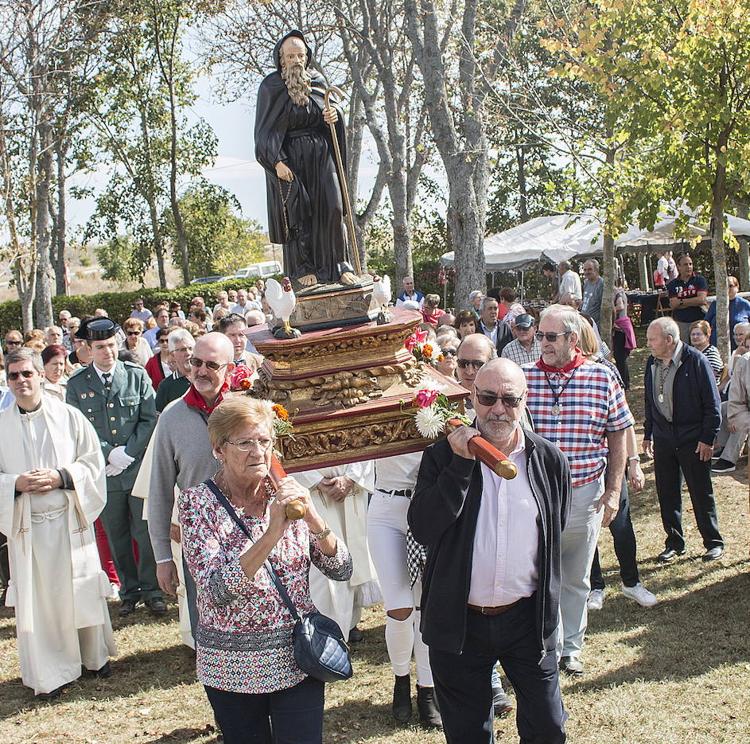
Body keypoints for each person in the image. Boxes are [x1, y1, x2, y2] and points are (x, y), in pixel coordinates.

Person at [409, 358, 570, 744]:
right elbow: (424, 526)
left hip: (526, 620)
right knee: (468, 736)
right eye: (488, 397)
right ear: (472, 398)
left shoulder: (548, 460)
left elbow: (554, 531)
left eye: (510, 400)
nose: (498, 409)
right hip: (460, 621)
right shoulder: (442, 456)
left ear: (525, 401)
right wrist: (460, 467)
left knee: (549, 728)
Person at [179, 396, 352, 743]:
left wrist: (316, 519)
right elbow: (216, 591)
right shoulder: (196, 504)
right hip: (232, 668)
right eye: (245, 442)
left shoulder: (287, 495)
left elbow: (341, 569)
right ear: (218, 449)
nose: (258, 452)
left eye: (264, 441)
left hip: (297, 658)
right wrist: (273, 532)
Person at [523, 304, 632, 676]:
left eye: (550, 337)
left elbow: (619, 436)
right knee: (534, 575)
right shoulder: (523, 380)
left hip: (584, 493)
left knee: (575, 576)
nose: (543, 343)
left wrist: (614, 490)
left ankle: (571, 648)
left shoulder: (602, 378)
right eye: (540, 336)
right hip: (533, 496)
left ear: (573, 339)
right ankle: (542, 644)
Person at [0, 348, 116, 698]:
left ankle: (91, 658)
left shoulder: (68, 416)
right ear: (7, 380)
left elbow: (92, 463)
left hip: (68, 522)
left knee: (77, 590)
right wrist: (14, 484)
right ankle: (50, 672)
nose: (21, 381)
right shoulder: (1, 426)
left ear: (40, 375)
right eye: (14, 375)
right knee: (42, 603)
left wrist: (62, 476)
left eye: (27, 374)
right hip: (28, 528)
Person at [66, 317, 163, 617]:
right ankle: (129, 591)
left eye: (110, 345)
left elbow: (149, 418)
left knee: (144, 531)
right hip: (104, 473)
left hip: (136, 470)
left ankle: (152, 590)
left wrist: (129, 453)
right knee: (116, 533)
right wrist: (108, 454)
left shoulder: (135, 375)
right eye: (100, 347)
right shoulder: (77, 384)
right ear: (88, 349)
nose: (107, 352)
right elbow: (77, 427)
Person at [148, 333, 236, 642]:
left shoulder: (248, 408)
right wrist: (162, 558)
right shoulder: (171, 418)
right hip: (201, 544)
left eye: (211, 364)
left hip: (253, 534)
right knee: (209, 630)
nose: (200, 371)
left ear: (231, 367)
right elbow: (158, 492)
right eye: (195, 362)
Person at [255, 30, 357, 288]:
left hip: (322, 155)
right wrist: (276, 161)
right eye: (291, 56)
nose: (297, 61)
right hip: (292, 159)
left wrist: (334, 116)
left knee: (333, 207)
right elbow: (264, 131)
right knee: (300, 214)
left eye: (301, 55)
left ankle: (338, 266)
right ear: (281, 59)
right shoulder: (271, 87)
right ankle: (303, 269)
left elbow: (332, 110)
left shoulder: (318, 81)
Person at [643, 317, 724, 562]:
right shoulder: (651, 362)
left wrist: (707, 438)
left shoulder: (696, 361)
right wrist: (648, 434)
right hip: (664, 438)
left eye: (652, 339)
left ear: (669, 340)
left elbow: (713, 404)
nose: (648, 344)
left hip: (693, 439)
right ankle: (675, 542)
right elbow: (649, 401)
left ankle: (713, 542)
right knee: (666, 492)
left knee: (701, 492)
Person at [294, 461, 378, 645]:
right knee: (324, 560)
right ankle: (325, 628)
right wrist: (315, 480)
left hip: (351, 485)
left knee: (352, 554)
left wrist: (351, 478)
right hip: (313, 491)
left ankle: (350, 622)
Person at [713, 324, 750, 474]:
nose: (738, 337)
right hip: (740, 401)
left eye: (741, 334)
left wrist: (736, 415)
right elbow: (732, 378)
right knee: (723, 408)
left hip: (746, 406)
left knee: (741, 419)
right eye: (746, 346)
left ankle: (729, 459)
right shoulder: (741, 357)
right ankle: (721, 446)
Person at [667, 253, 708, 343]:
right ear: (678, 267)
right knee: (684, 350)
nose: (689, 267)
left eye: (690, 264)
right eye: (685, 264)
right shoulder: (672, 284)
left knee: (700, 347)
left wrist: (680, 302)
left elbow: (701, 300)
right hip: (681, 323)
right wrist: (694, 301)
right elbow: (673, 304)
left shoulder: (699, 280)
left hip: (699, 321)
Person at [155, 328, 195, 413]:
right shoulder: (166, 386)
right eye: (183, 349)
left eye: (190, 348)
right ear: (173, 354)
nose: (188, 353)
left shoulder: (203, 377)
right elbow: (159, 416)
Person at [705, 276, 750, 350]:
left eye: (730, 286)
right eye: (724, 286)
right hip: (717, 345)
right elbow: (706, 324)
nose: (727, 289)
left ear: (737, 287)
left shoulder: (745, 304)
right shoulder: (715, 304)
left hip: (740, 346)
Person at [612, 281, 636, 390]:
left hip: (620, 329)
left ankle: (624, 383)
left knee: (620, 358)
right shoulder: (618, 292)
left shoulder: (617, 292)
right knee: (620, 358)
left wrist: (609, 311)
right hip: (620, 327)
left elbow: (620, 306)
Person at [580, 259, 604, 324]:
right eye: (585, 270)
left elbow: (609, 307)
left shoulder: (601, 284)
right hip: (585, 324)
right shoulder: (586, 283)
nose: (587, 272)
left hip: (595, 325)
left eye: (589, 269)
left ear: (596, 270)